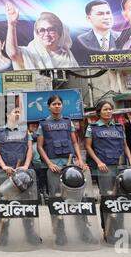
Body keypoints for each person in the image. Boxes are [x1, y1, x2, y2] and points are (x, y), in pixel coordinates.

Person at [37, 95, 93, 246]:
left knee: (79, 199)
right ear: (49, 106)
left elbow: (75, 142)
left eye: (59, 104)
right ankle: (59, 232)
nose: (57, 106)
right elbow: (40, 146)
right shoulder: (43, 124)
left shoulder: (68, 122)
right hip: (54, 166)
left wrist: (80, 160)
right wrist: (49, 163)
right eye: (54, 104)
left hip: (71, 165)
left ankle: (84, 231)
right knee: (56, 199)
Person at [84, 101, 131, 244]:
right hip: (104, 168)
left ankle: (120, 230)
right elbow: (88, 147)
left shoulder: (119, 127)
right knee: (108, 199)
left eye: (110, 109)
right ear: (99, 112)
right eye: (105, 109)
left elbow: (125, 145)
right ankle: (108, 230)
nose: (109, 111)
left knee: (121, 199)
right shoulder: (92, 128)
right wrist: (98, 162)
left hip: (120, 166)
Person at [0, 106, 39, 246]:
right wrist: (3, 166)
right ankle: (2, 236)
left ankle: (30, 234)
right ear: (8, 115)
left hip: (23, 173)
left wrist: (25, 166)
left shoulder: (25, 131)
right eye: (15, 112)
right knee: (4, 204)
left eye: (19, 112)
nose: (18, 114)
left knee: (26, 204)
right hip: (5, 173)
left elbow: (30, 148)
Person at [5, 2, 78, 70]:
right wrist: (12, 24)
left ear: (59, 33)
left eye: (51, 29)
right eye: (42, 30)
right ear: (37, 34)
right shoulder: (31, 52)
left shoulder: (66, 54)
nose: (46, 34)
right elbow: (13, 54)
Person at [28, 121, 49, 204]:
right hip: (34, 163)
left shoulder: (42, 134)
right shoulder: (29, 136)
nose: (34, 126)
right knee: (36, 182)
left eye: (35, 125)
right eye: (32, 125)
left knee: (44, 182)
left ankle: (45, 196)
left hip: (43, 164)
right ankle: (39, 198)